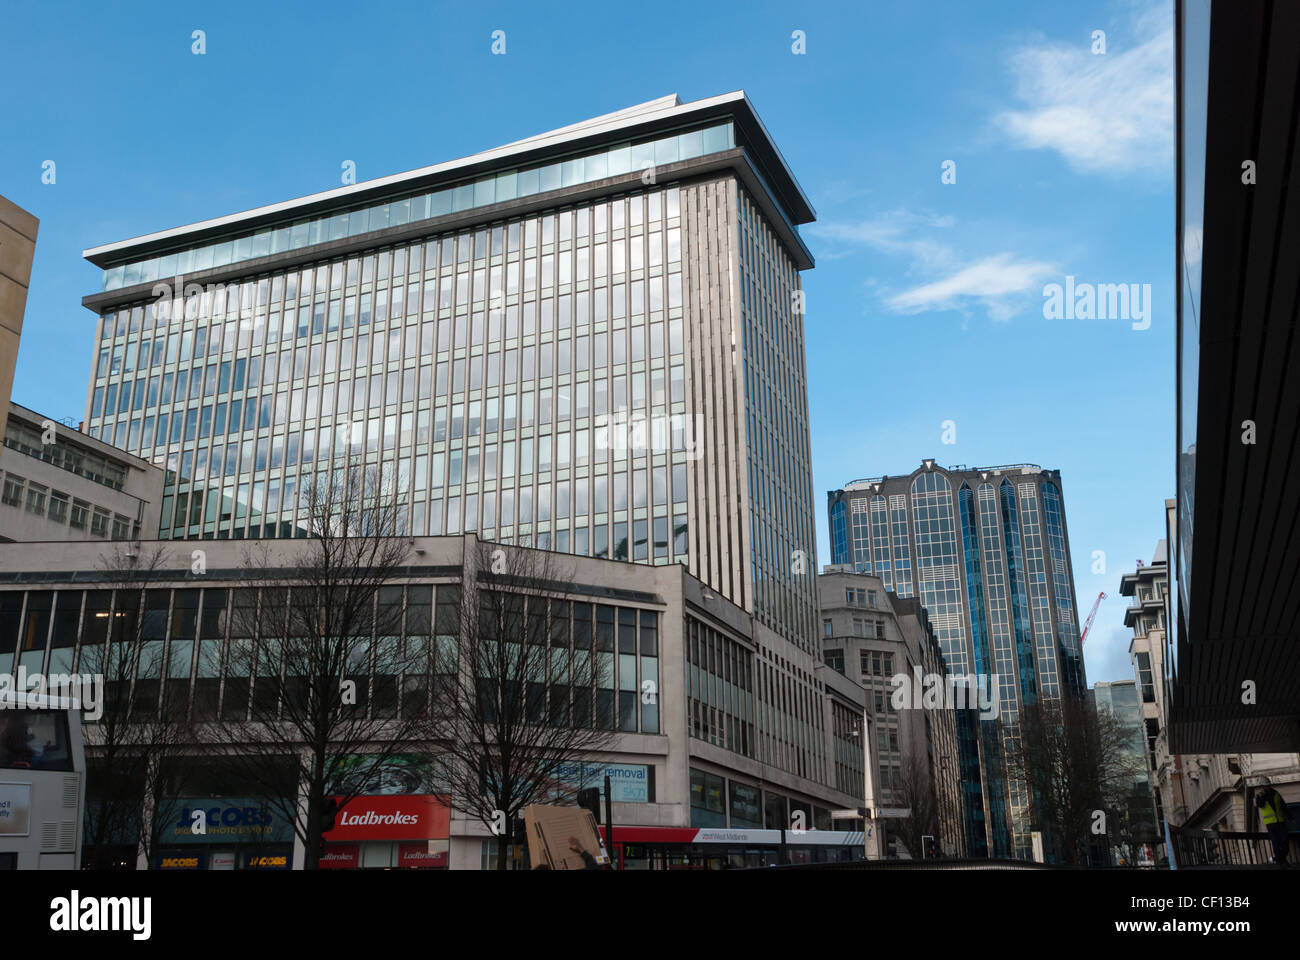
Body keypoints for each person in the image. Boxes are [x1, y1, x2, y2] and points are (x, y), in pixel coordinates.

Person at [1255, 783, 1294, 867]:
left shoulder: (1276, 793)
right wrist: (1264, 795)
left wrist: (1290, 818)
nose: (1266, 786)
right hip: (1270, 823)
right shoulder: (1260, 795)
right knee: (1276, 842)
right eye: (1264, 785)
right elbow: (1260, 805)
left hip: (1280, 821)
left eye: (1267, 785)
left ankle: (1278, 858)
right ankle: (1281, 862)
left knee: (1285, 841)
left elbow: (1283, 806)